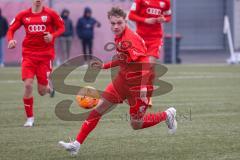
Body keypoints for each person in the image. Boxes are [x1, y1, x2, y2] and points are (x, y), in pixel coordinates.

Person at [59, 7, 177, 156]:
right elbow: (123, 58)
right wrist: (104, 66)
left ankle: (167, 115)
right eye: (113, 23)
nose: (115, 26)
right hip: (122, 80)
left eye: (119, 23)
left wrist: (142, 87)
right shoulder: (119, 36)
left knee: (136, 124)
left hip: (140, 83)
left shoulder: (130, 38)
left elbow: (145, 63)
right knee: (98, 109)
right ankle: (76, 144)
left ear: (125, 21)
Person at [7, 0, 65, 127]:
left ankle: (49, 89)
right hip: (29, 55)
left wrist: (52, 35)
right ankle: (30, 119)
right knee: (28, 85)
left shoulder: (51, 14)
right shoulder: (23, 15)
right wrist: (11, 40)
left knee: (41, 91)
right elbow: (11, 29)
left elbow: (62, 27)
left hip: (45, 56)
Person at [128, 0, 172, 106]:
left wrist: (163, 19)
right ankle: (139, 92)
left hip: (155, 38)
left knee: (149, 65)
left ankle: (147, 96)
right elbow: (131, 16)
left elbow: (168, 17)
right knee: (141, 67)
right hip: (141, 38)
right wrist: (145, 20)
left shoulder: (165, 2)